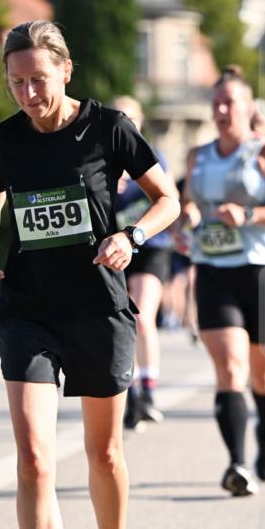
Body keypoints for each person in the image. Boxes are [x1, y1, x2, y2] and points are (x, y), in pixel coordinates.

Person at [0, 20, 179, 529]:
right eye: (16, 83)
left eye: (38, 79)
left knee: (104, 456)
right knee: (34, 457)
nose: (29, 94)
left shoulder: (109, 127)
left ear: (66, 70)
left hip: (97, 307)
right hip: (28, 310)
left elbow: (167, 198)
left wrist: (133, 236)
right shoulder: (5, 139)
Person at [180, 65, 265, 496]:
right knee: (229, 366)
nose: (220, 110)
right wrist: (189, 218)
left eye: (229, 103)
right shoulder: (197, 157)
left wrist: (249, 215)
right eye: (215, 103)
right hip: (214, 270)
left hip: (263, 271)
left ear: (247, 108)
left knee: (263, 372)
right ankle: (236, 464)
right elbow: (187, 206)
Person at [112, 96, 172, 430]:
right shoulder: (102, 158)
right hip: (116, 249)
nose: (126, 124)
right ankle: (131, 392)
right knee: (122, 323)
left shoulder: (152, 156)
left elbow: (167, 198)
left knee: (142, 316)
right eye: (120, 117)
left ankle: (148, 391)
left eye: (131, 118)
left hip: (151, 245)